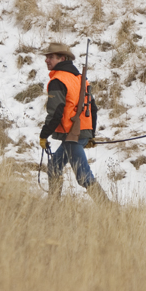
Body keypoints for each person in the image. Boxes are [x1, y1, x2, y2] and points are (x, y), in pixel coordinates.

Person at [38, 42, 109, 204]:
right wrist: (90, 134)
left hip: (72, 135)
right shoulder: (80, 79)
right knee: (54, 167)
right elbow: (93, 108)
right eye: (46, 57)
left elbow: (56, 112)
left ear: (62, 58)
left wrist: (44, 134)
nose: (46, 60)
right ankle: (53, 205)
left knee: (83, 176)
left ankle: (110, 209)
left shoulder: (58, 80)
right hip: (81, 133)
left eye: (50, 57)